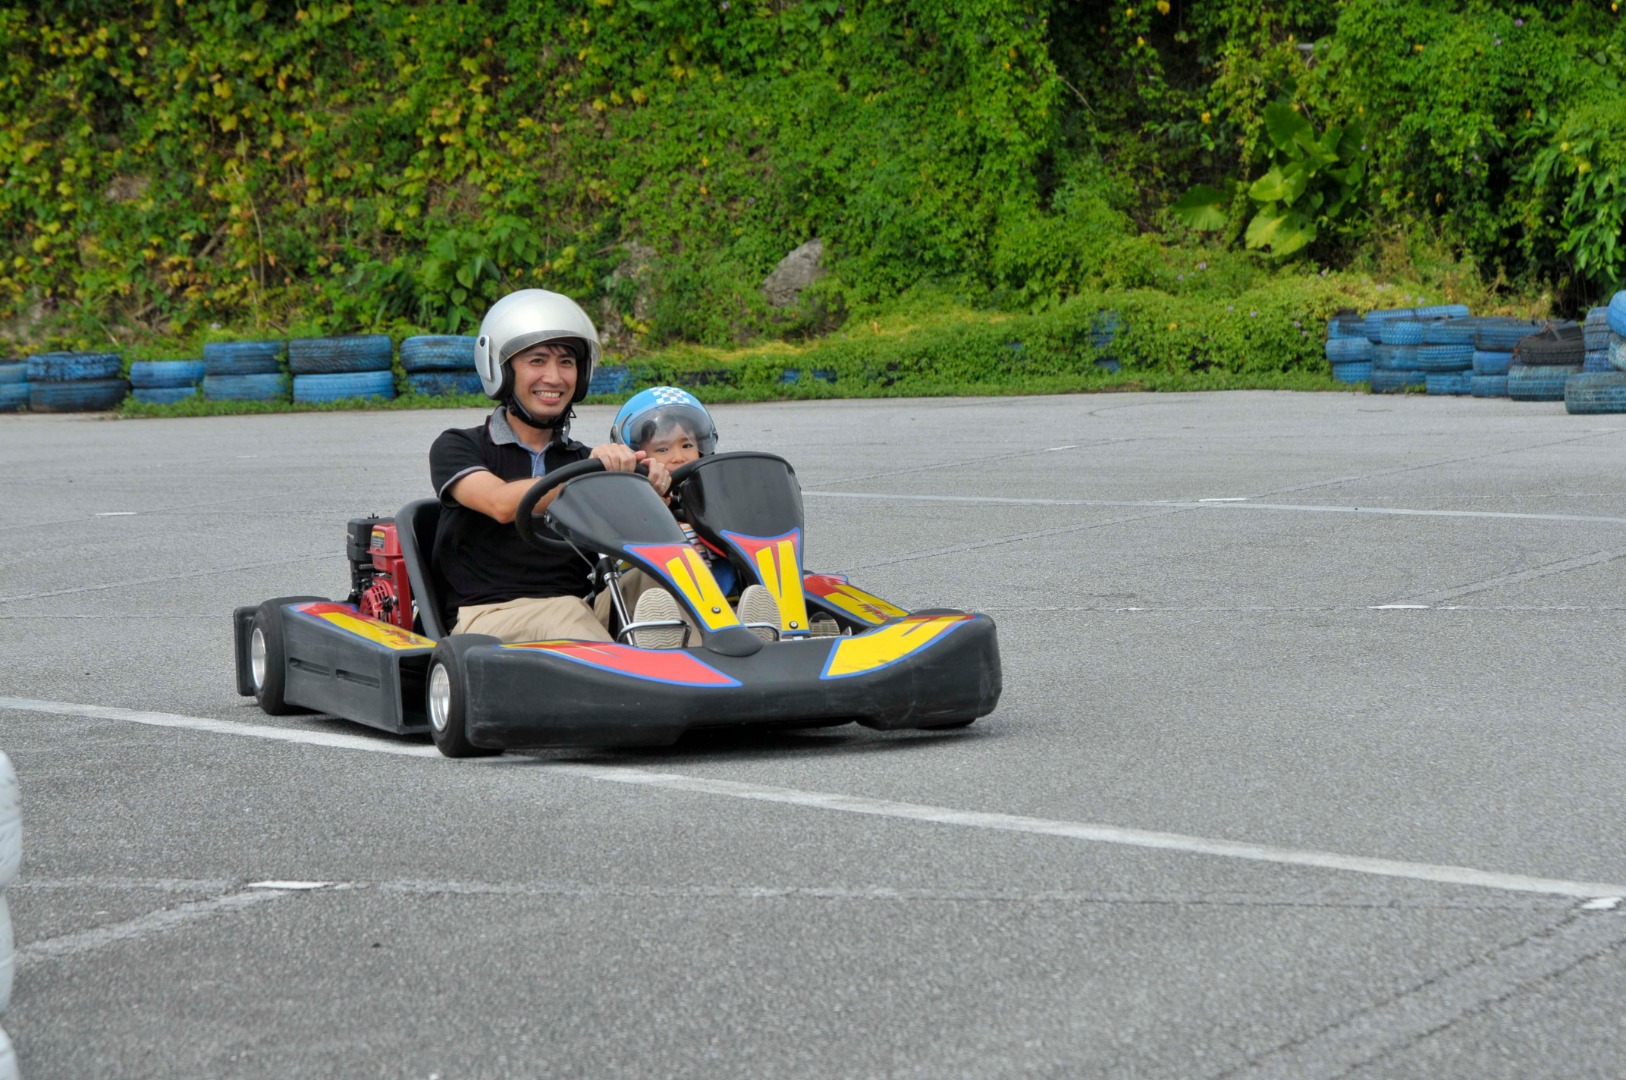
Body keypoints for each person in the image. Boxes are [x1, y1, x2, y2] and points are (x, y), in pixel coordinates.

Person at [428, 289, 672, 644]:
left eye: (567, 362)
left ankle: (732, 664)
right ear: (502, 370)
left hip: (580, 610)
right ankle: (643, 683)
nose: (555, 378)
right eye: (537, 361)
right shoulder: (459, 446)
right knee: (567, 612)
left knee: (662, 576)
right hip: (487, 619)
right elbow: (499, 503)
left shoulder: (582, 459)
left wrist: (653, 489)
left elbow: (633, 533)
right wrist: (594, 475)